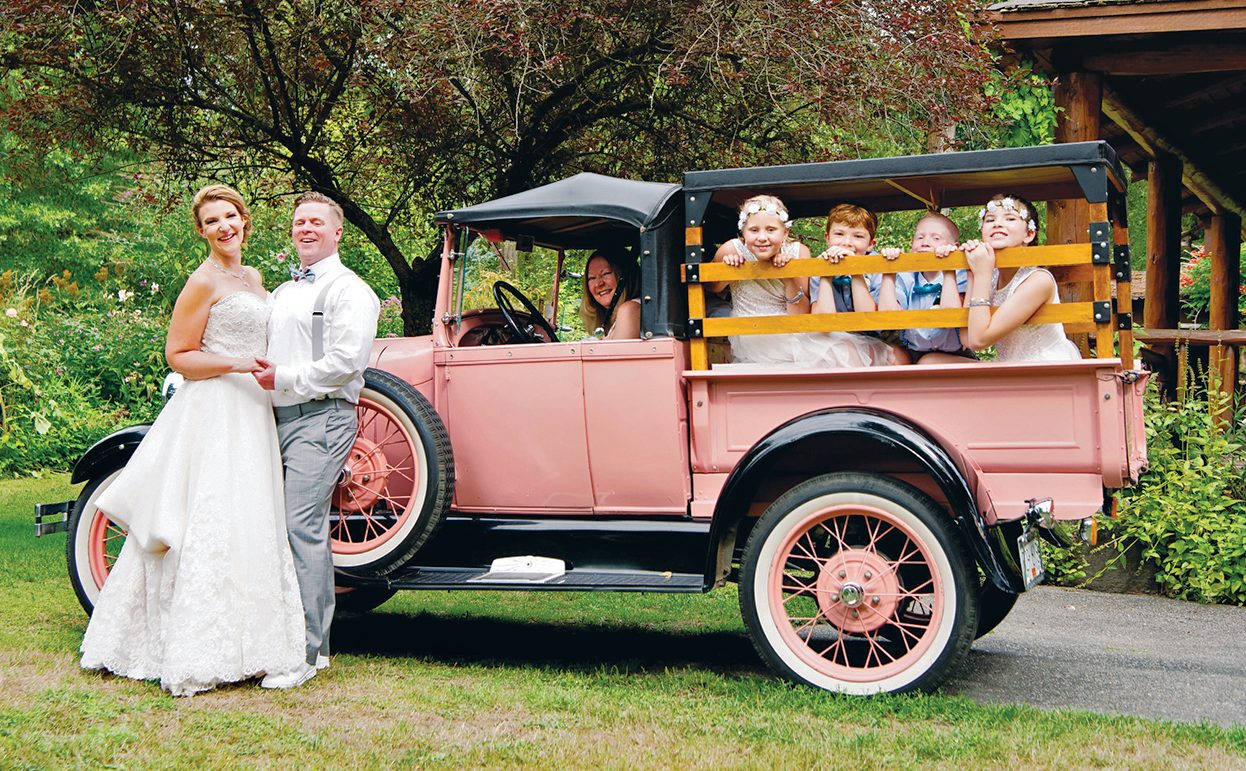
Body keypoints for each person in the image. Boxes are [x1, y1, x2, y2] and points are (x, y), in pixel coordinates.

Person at [79, 185, 306, 696]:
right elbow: (178, 355)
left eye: (230, 216)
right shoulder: (202, 281)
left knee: (250, 518)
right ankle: (195, 643)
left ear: (245, 221)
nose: (224, 226)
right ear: (201, 231)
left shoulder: (252, 277)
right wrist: (236, 363)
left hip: (252, 411)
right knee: (210, 518)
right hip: (214, 410)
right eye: (212, 221)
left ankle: (255, 643)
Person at [252, 191, 380, 688]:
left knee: (301, 526)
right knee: (276, 526)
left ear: (337, 232)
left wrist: (284, 377)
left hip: (322, 419)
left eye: (316, 223)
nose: (305, 229)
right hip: (276, 420)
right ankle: (282, 634)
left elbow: (347, 363)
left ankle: (309, 651)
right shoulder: (284, 292)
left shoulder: (350, 291)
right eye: (299, 222)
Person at [711, 194, 898, 367]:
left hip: (794, 330)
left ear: (784, 233)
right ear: (743, 232)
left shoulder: (798, 252)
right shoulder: (731, 249)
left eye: (771, 230)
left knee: (854, 351)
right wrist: (727, 271)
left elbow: (799, 314)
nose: (762, 237)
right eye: (754, 230)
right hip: (753, 336)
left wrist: (788, 274)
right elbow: (711, 288)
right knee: (842, 353)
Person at [959, 193, 1080, 362]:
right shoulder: (990, 275)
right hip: (1009, 365)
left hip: (1044, 366)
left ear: (1029, 234)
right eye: (990, 220)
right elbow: (968, 339)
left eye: (1010, 218)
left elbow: (979, 340)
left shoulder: (1039, 280)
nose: (998, 224)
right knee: (931, 361)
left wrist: (981, 274)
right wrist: (972, 274)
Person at [878, 212, 975, 363]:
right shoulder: (906, 277)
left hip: (956, 354)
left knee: (929, 361)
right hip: (913, 352)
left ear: (954, 247)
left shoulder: (960, 275)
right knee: (888, 355)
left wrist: (949, 266)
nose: (925, 243)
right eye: (920, 237)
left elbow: (950, 314)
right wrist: (889, 271)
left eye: (936, 238)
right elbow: (887, 315)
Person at [580, 249, 640, 339]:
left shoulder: (630, 310)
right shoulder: (610, 319)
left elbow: (618, 352)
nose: (598, 284)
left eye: (605, 274)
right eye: (592, 278)